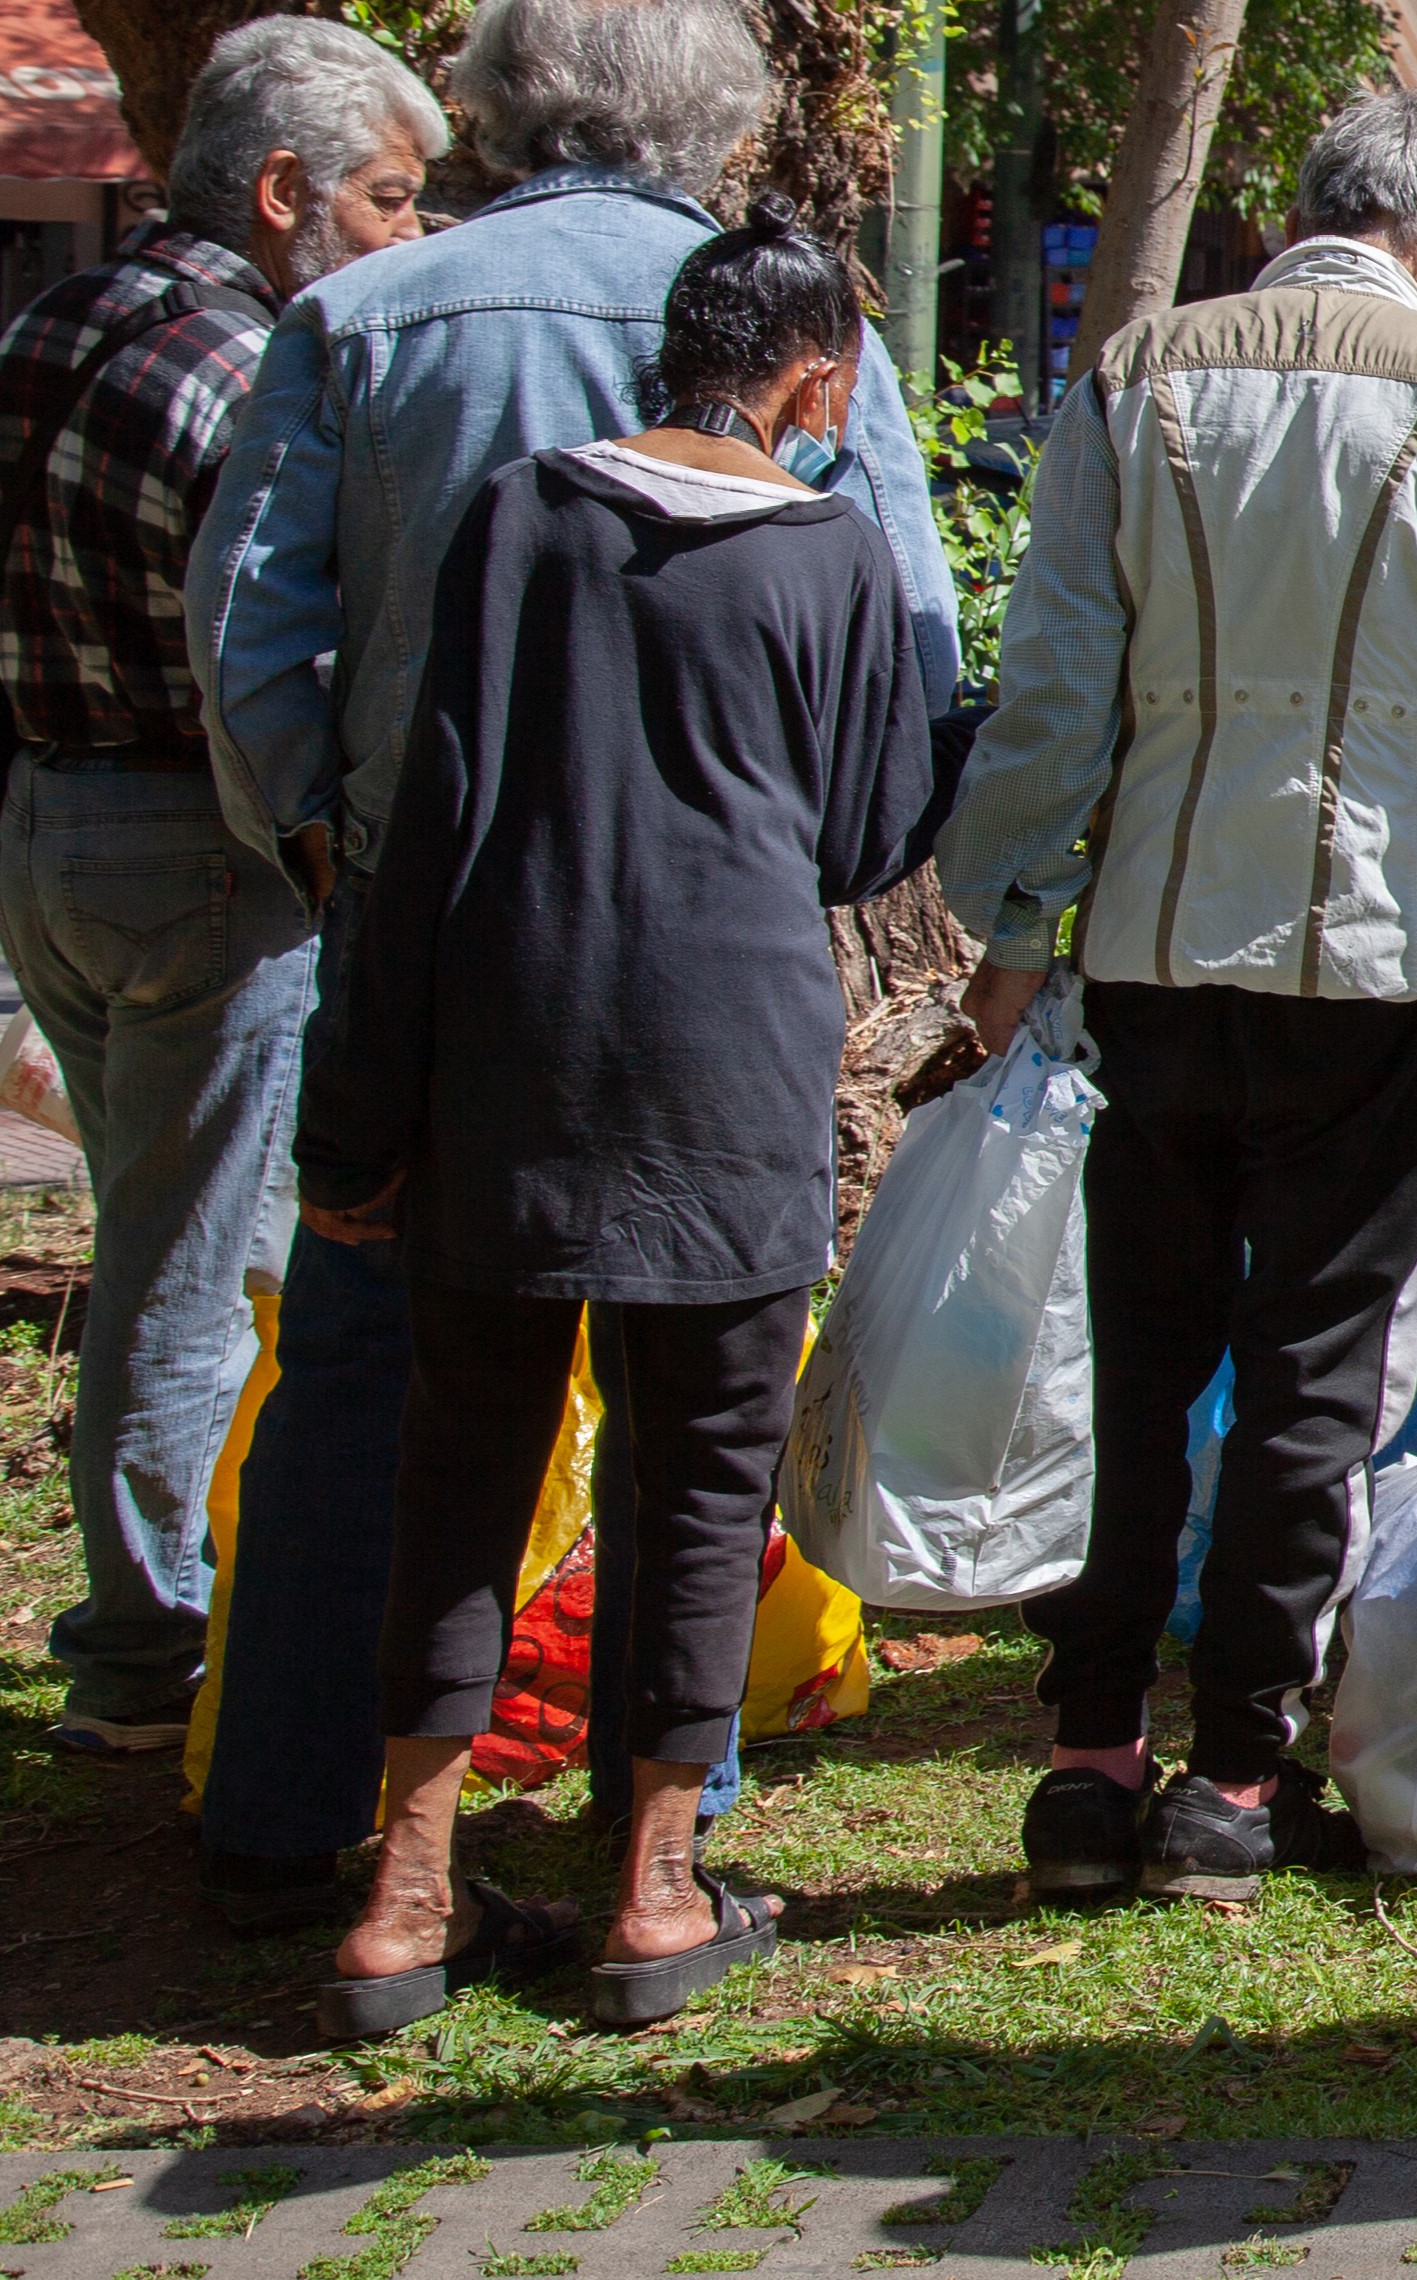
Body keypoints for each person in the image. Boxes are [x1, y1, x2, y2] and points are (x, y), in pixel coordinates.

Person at [185, 0, 960, 1931]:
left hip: (438, 955)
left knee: (385, 1396)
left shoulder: (362, 312)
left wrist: (335, 867)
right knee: (694, 1434)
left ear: (503, 104)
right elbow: (915, 641)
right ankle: (647, 1864)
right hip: (718, 985)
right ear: (723, 129)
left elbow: (255, 640)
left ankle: (305, 1826)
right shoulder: (806, 337)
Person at [939, 88, 1417, 1906]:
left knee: (1139, 1352)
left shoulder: (1136, 378)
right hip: (1375, 966)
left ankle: (1089, 1756)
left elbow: (1057, 668)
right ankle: (1236, 1774)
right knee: (1319, 1371)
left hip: (1152, 945)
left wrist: (1011, 913)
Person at [303, 205, 928, 2040]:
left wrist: (355, 1131)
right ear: (814, 381)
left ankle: (402, 1896)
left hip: (514, 1052)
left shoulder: (521, 513)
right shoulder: (830, 550)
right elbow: (868, 828)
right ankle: (655, 1890)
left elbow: (427, 828)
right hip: (727, 1064)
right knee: (702, 1475)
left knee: (464, 1464)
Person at [0, 19, 439, 1761]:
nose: (412, 234)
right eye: (392, 196)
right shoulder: (243, 365)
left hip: (52, 818)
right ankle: (153, 1641)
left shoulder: (51, 315)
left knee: (167, 1228)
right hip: (198, 843)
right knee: (190, 1262)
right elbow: (270, 651)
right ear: (283, 193)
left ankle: (185, 1593)